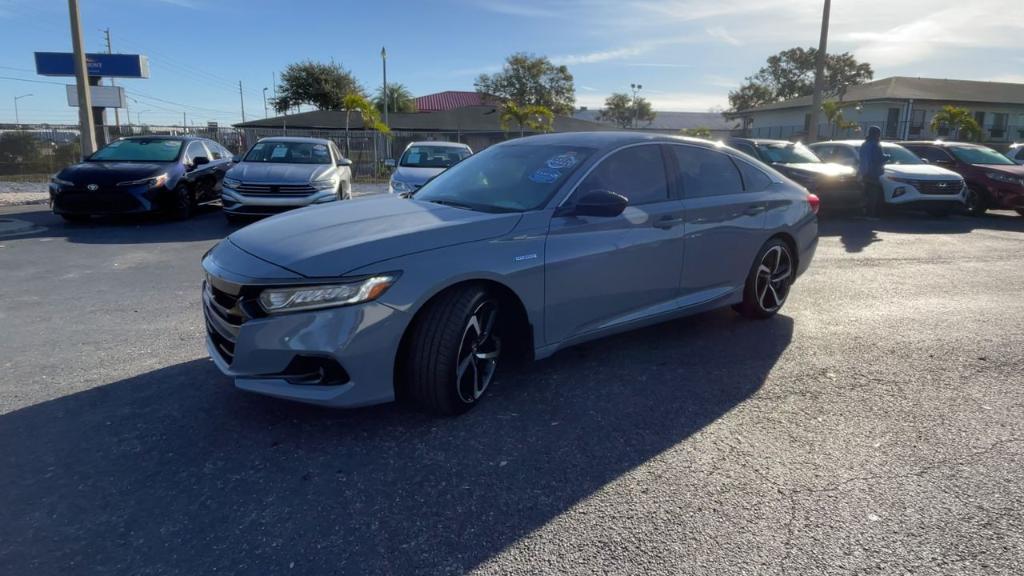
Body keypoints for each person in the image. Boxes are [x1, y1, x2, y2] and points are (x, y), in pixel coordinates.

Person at [858, 126, 886, 218]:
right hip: (873, 173)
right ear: (877, 134)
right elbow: (878, 158)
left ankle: (862, 212)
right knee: (873, 195)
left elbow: (862, 159)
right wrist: (888, 156)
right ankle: (870, 214)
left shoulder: (865, 144)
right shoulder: (876, 145)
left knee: (865, 193)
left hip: (864, 172)